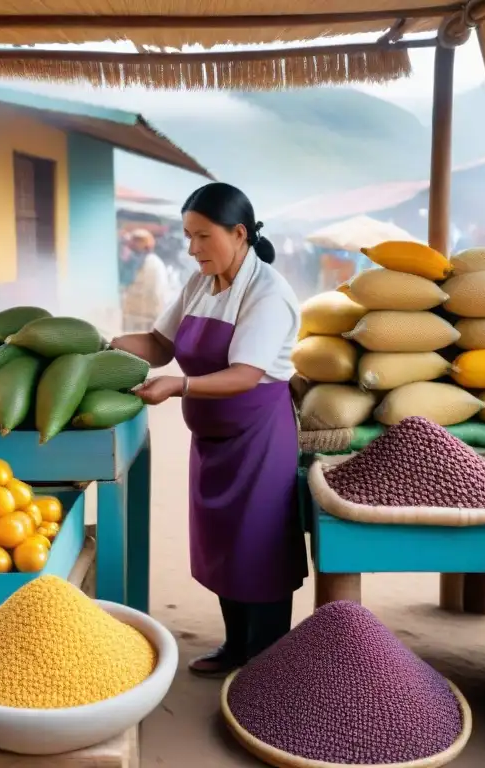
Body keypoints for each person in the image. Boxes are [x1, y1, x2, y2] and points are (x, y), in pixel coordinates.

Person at [111, 182, 307, 677]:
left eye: (203, 237)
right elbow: (159, 343)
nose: (193, 248)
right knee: (223, 548)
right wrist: (105, 343)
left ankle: (267, 663)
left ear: (239, 233)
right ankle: (236, 646)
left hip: (259, 439)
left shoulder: (268, 293)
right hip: (212, 443)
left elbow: (244, 374)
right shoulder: (200, 283)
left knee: (258, 547)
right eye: (187, 236)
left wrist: (178, 387)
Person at [120, 229, 171, 332]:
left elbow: (153, 290)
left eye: (135, 242)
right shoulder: (145, 260)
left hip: (146, 314)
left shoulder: (149, 262)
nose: (131, 246)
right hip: (139, 314)